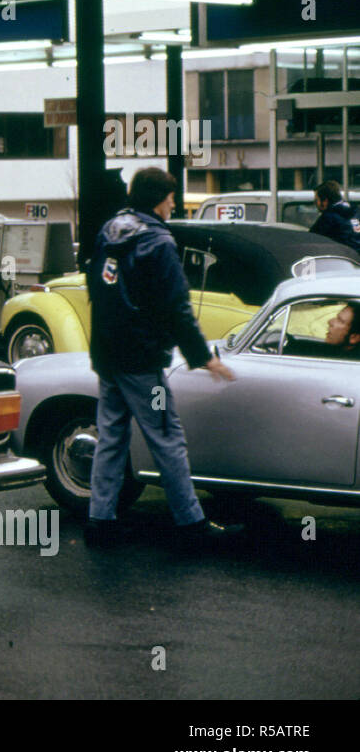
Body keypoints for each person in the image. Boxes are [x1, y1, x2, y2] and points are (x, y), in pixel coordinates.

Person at [85, 167, 242, 551]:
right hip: (143, 363)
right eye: (171, 199)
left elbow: (95, 288)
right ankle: (190, 524)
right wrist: (204, 358)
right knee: (167, 436)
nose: (173, 205)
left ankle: (99, 521)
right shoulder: (159, 242)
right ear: (159, 199)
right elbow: (177, 307)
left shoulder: (108, 232)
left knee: (110, 437)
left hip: (109, 358)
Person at [309, 181, 360, 252]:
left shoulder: (328, 218)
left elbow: (311, 238)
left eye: (316, 200)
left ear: (325, 201)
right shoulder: (356, 212)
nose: (315, 204)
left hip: (342, 257)